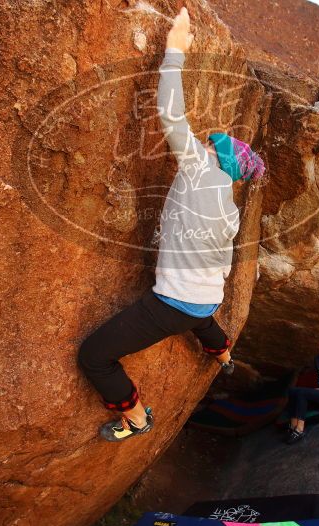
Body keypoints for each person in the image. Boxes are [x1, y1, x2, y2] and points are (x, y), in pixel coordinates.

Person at [77, 7, 265, 442]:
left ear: (214, 154)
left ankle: (137, 418)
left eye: (208, 142)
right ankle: (222, 355)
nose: (201, 141)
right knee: (202, 318)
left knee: (94, 357)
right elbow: (222, 258)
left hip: (174, 306)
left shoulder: (199, 166)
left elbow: (171, 113)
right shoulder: (229, 202)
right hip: (205, 300)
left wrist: (175, 50)